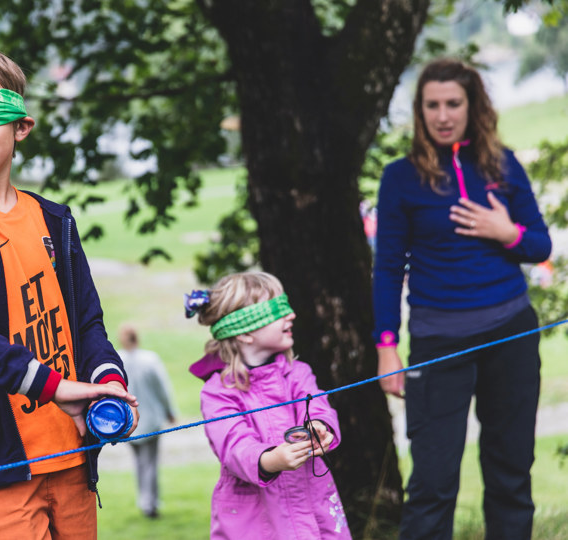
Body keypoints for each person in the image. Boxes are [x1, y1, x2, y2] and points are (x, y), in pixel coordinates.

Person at [0, 43, 138, 540]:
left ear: (21, 126)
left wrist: (107, 379)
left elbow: (87, 322)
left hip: (72, 452)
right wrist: (54, 387)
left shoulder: (55, 219)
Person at [373, 58, 552, 540]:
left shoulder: (503, 165)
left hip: (511, 331)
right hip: (438, 341)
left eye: (453, 103)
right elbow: (388, 267)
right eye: (432, 105)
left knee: (511, 471)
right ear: (420, 111)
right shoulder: (400, 178)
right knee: (432, 483)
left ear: (473, 107)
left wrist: (505, 231)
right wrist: (386, 345)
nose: (443, 114)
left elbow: (540, 244)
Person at [185, 271, 351, 539]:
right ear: (245, 333)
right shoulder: (218, 393)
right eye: (277, 309)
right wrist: (271, 459)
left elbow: (317, 404)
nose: (291, 315)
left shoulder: (297, 373)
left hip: (315, 511)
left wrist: (320, 426)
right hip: (256, 521)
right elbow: (234, 445)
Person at [116, 323, 177, 518]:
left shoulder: (117, 361)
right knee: (149, 463)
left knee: (140, 463)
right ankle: (150, 504)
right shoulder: (150, 360)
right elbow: (163, 388)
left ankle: (144, 500)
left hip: (127, 423)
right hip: (150, 420)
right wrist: (170, 411)